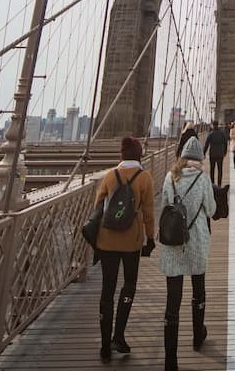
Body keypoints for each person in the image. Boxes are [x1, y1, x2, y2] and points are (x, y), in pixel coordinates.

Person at [93, 136, 155, 363]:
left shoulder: (110, 175)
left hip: (107, 240)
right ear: (139, 154)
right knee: (129, 285)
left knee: (107, 290)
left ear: (121, 155)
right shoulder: (145, 177)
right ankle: (118, 335)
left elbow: (98, 208)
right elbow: (148, 212)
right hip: (131, 241)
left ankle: (103, 345)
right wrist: (151, 238)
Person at [158, 135, 217, 371]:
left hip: (173, 243)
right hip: (197, 242)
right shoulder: (202, 179)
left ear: (182, 157)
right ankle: (197, 334)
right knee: (198, 290)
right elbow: (212, 210)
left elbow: (164, 208)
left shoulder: (170, 177)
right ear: (199, 158)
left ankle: (170, 360)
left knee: (173, 301)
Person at [202, 121, 229, 185]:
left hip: (212, 153)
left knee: (212, 169)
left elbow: (206, 145)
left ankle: (212, 184)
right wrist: (225, 151)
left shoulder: (210, 134)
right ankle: (219, 184)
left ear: (213, 125)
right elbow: (225, 143)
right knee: (220, 170)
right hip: (220, 153)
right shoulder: (222, 133)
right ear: (218, 125)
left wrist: (204, 153)